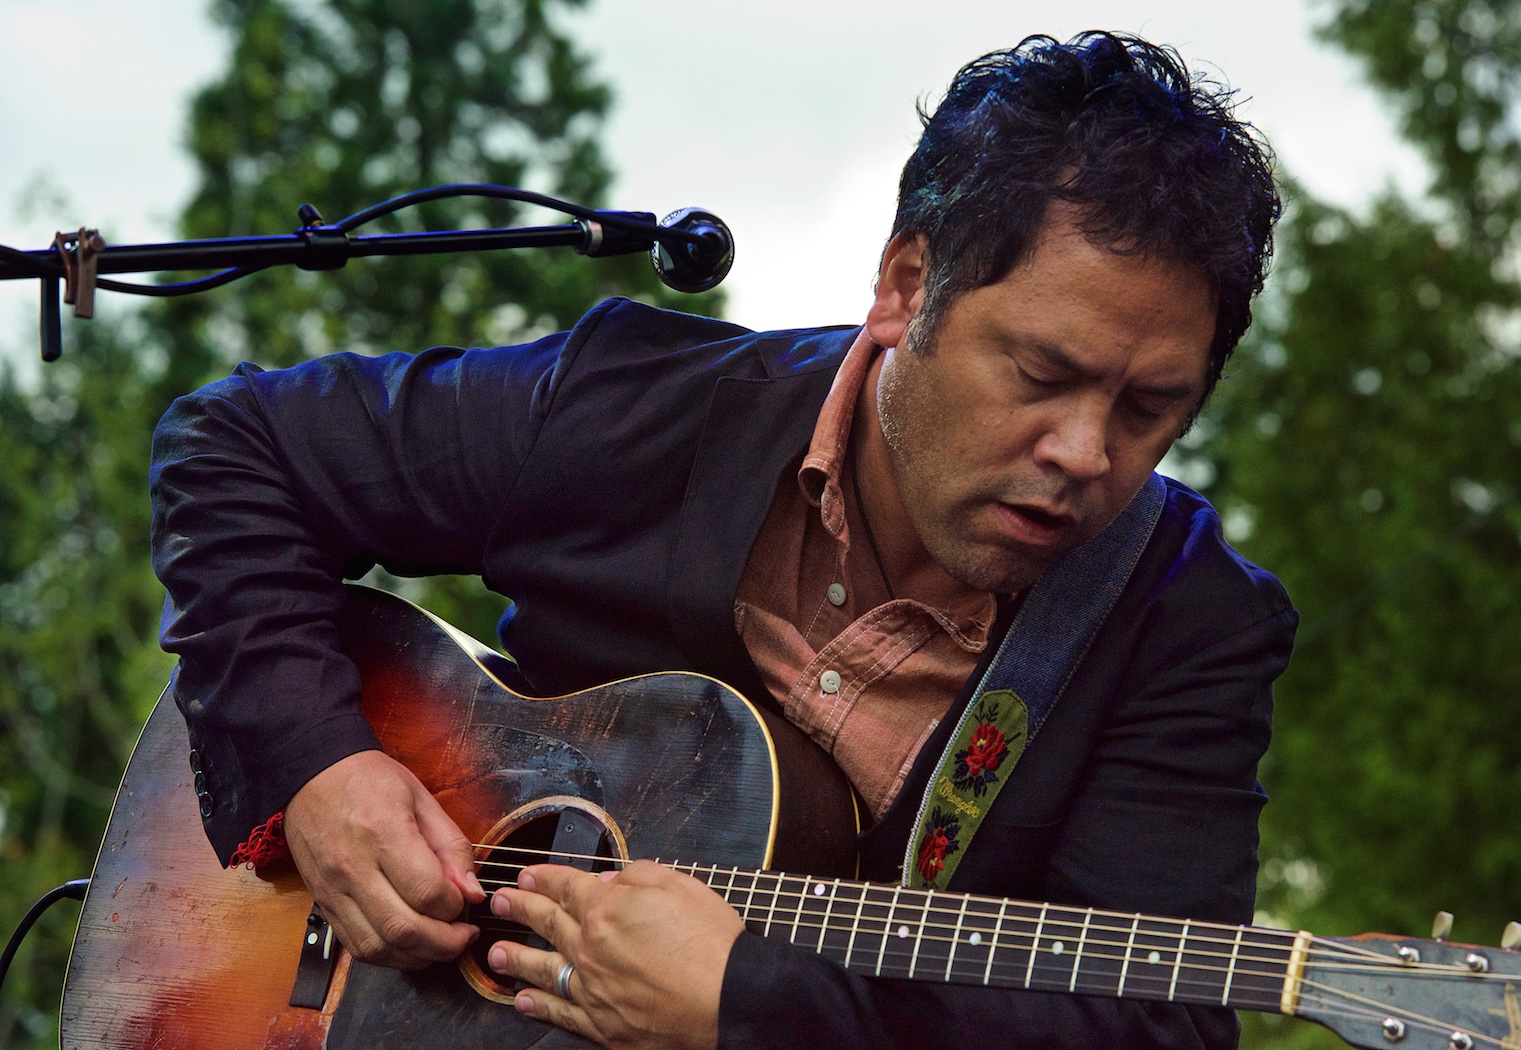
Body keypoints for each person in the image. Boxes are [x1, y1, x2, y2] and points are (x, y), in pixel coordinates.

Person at [149, 31, 1294, 1050]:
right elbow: (235, 450)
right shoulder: (636, 413)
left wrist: (758, 1009)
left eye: (1150, 408)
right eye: (1042, 375)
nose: (1087, 453)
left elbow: (1145, 1026)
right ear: (907, 284)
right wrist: (315, 768)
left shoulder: (1180, 620)